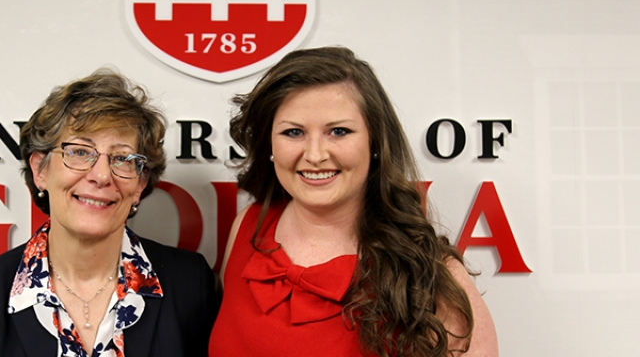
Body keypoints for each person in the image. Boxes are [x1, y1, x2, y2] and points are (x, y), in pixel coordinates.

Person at [209, 46, 498, 356]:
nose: (316, 155)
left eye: (338, 131)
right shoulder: (247, 227)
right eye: (293, 132)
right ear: (269, 143)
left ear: (375, 142)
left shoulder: (432, 273)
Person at [0, 69, 218, 357]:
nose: (102, 176)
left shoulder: (190, 284)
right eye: (80, 152)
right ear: (40, 169)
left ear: (140, 184)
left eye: (121, 158)